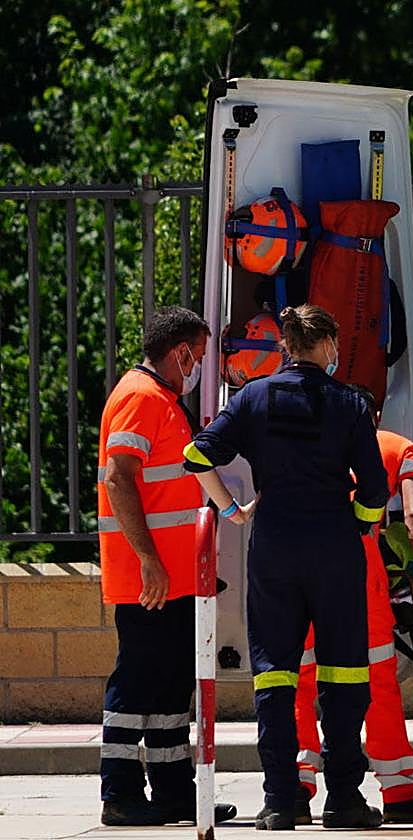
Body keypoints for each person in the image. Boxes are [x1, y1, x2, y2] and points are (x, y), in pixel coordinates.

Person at [184, 304, 387, 831]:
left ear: (286, 347)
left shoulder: (253, 397)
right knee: (344, 673)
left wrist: (231, 510)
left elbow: (198, 455)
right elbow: (374, 491)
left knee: (274, 675)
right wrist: (360, 526)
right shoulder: (348, 403)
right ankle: (344, 799)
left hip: (274, 545)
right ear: (325, 346)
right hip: (335, 548)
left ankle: (279, 801)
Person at [97, 305, 237, 827]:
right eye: (198, 356)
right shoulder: (140, 397)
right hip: (149, 580)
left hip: (175, 580)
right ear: (179, 352)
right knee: (138, 684)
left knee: (171, 688)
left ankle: (176, 792)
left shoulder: (160, 400)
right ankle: (121, 794)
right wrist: (151, 562)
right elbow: (119, 479)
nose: (199, 366)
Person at [294, 385, 413, 824]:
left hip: (301, 571)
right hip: (359, 579)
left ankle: (296, 788)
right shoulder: (395, 447)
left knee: (303, 679)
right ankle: (399, 792)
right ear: (376, 412)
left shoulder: (305, 444)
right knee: (377, 681)